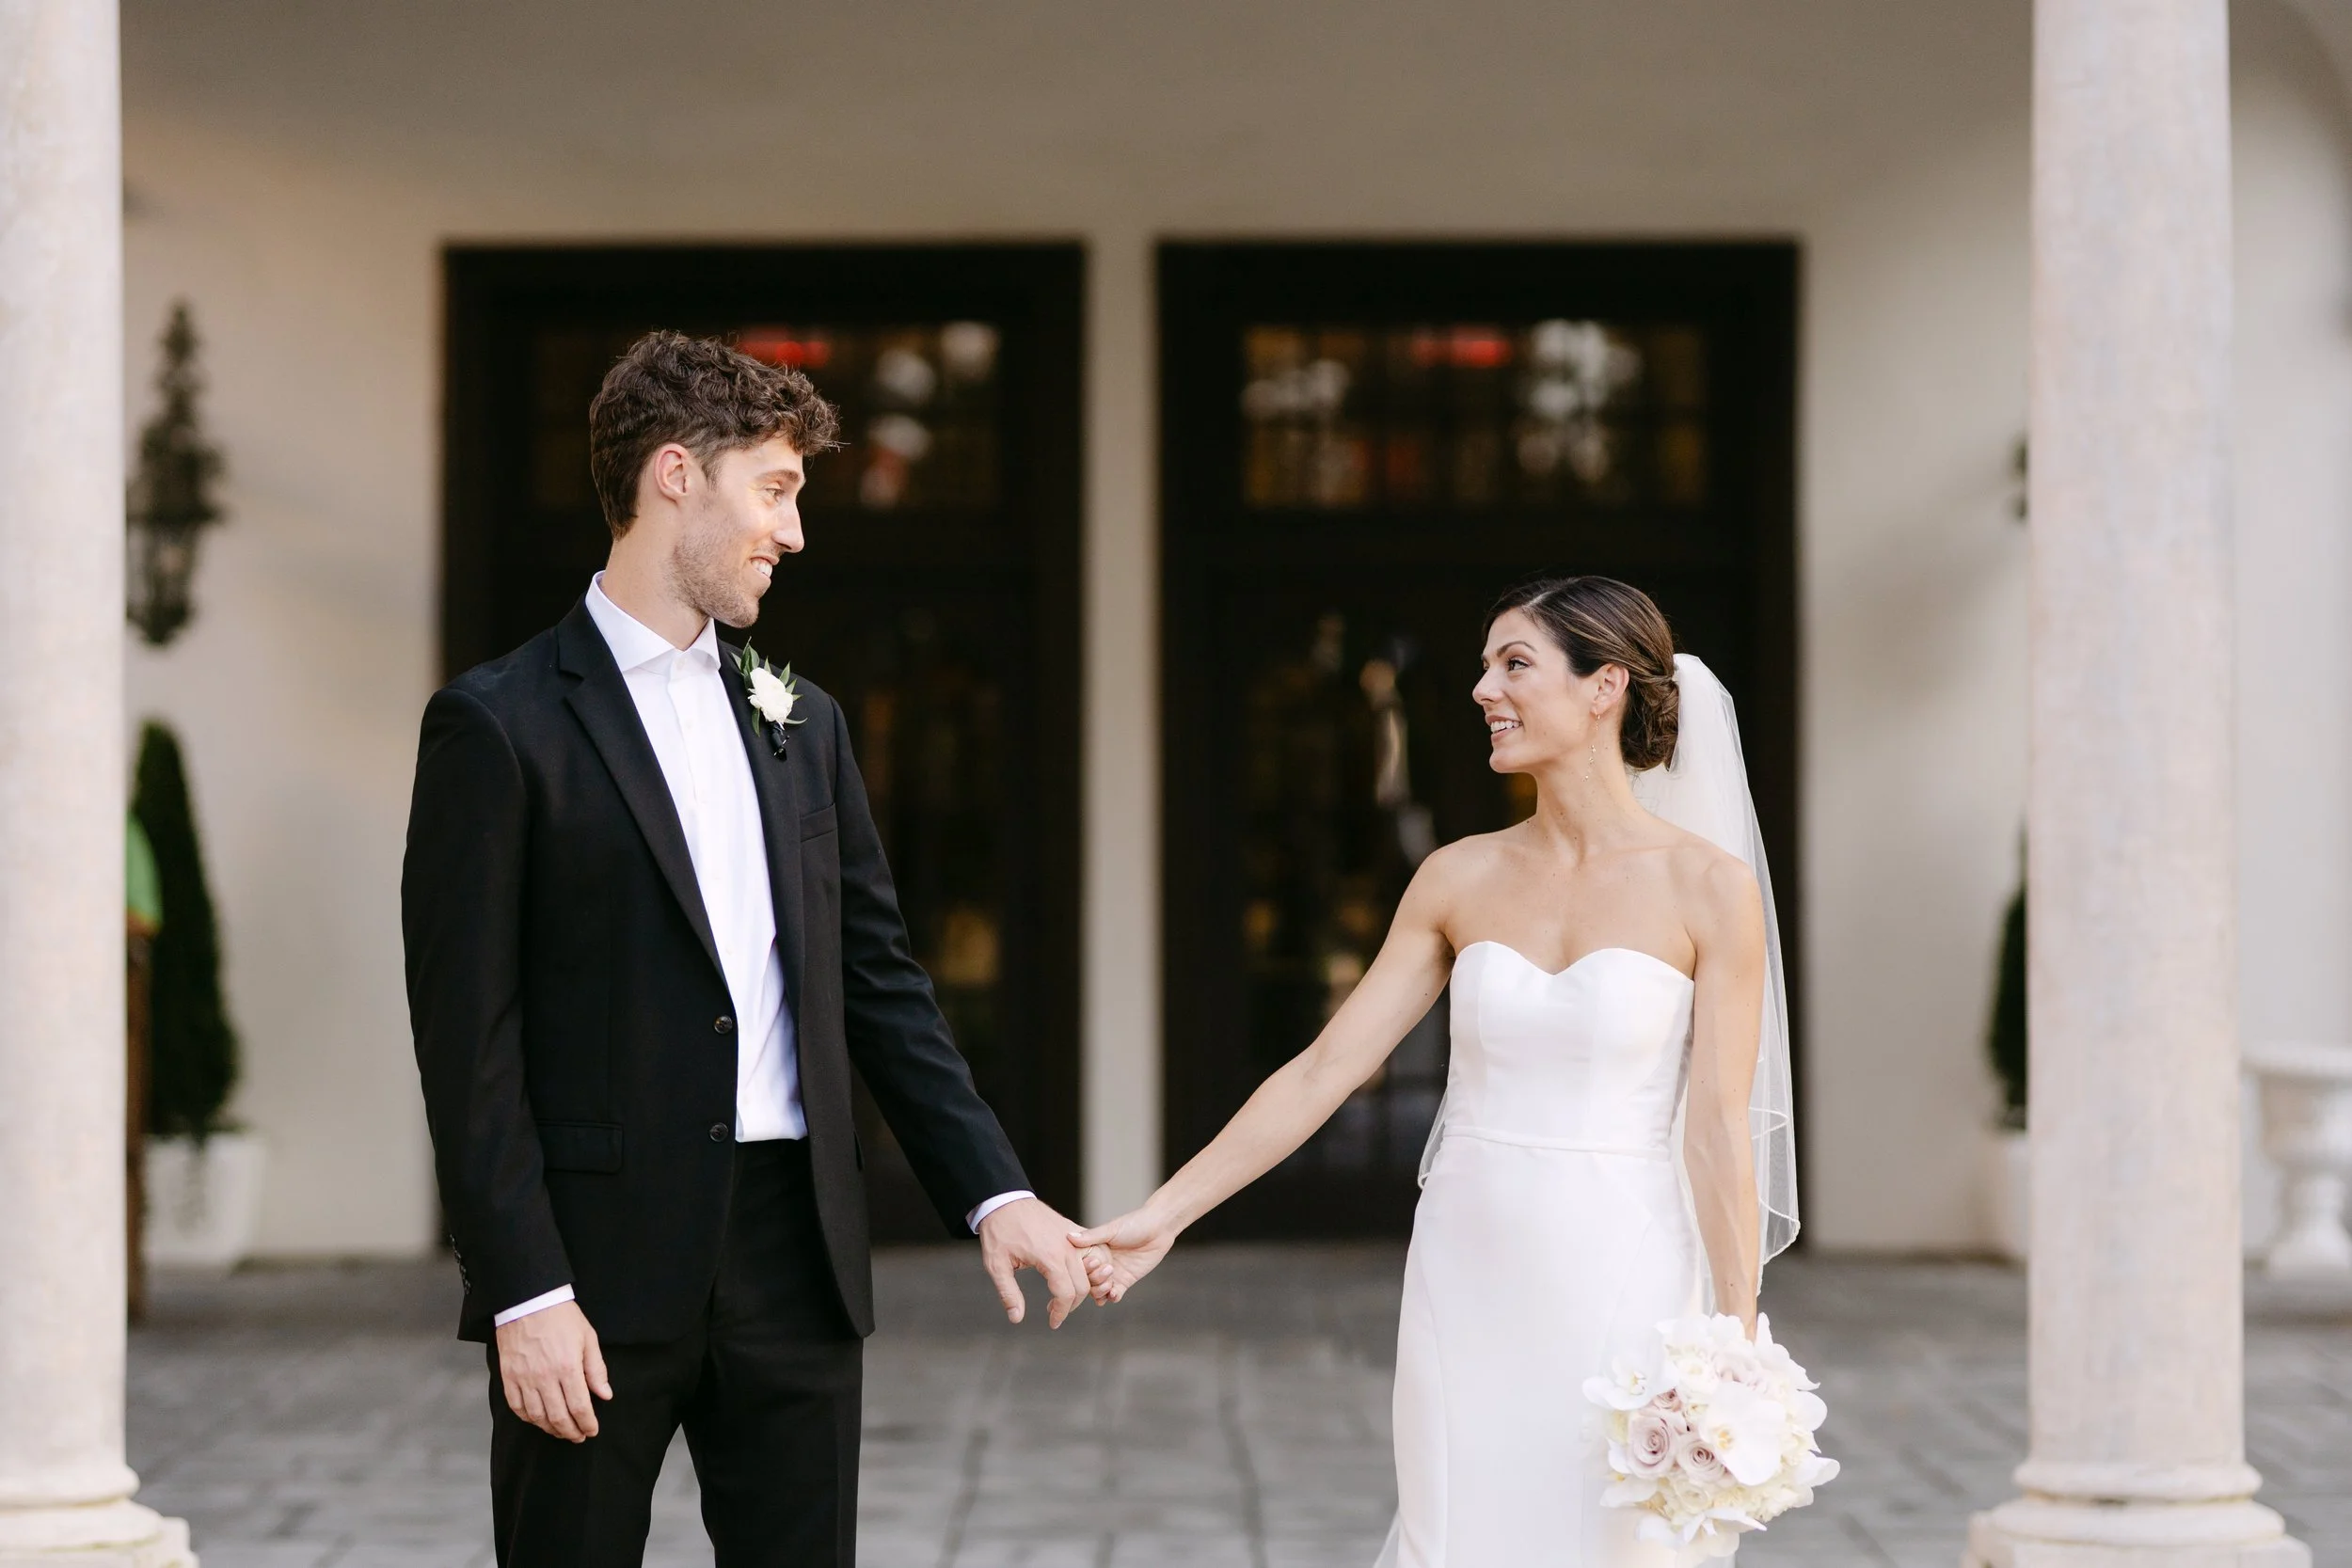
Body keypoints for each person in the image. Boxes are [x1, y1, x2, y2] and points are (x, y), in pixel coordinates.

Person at [403, 330, 1092, 1568]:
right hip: (592, 1268)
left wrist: (996, 1187)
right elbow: (469, 1041)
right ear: (677, 474)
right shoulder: (495, 726)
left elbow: (879, 981)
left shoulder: (801, 715)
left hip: (797, 1257)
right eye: (776, 489)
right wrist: (523, 1288)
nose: (796, 530)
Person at [1073, 576, 1800, 1566]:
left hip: (1627, 1262)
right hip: (1468, 1261)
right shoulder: (1457, 875)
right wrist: (1166, 1212)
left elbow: (1717, 1128)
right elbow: (1324, 1067)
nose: (1479, 689)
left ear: (1604, 688)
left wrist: (1736, 1344)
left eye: (1514, 664)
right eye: (1484, 664)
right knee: (1454, 1527)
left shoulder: (1708, 887)